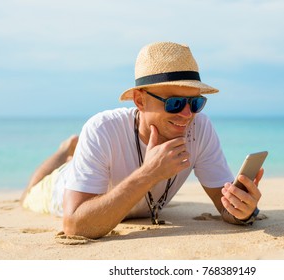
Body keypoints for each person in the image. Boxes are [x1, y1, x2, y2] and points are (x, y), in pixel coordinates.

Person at [20, 42, 263, 239]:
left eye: (195, 102)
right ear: (139, 101)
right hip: (62, 186)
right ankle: (65, 150)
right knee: (29, 195)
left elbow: (224, 207)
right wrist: (149, 173)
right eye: (174, 103)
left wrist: (241, 210)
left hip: (116, 193)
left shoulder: (200, 128)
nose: (187, 114)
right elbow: (74, 226)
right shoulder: (102, 129)